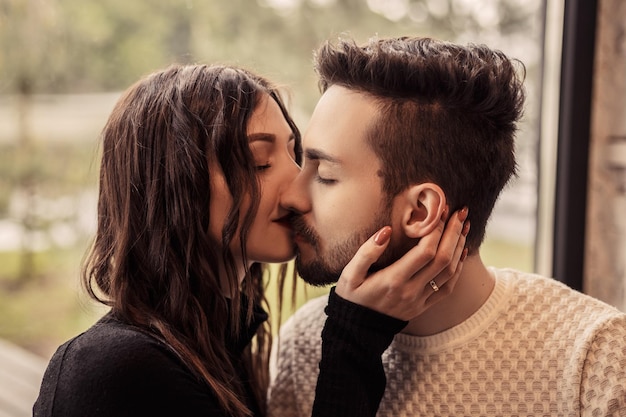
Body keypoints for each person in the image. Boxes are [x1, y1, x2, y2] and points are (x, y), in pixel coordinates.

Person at [33, 63, 468, 417]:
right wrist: (354, 339)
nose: (298, 186)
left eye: (294, 154)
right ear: (173, 189)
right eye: (258, 163)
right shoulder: (115, 372)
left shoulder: (222, 346)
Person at [267, 36, 626, 417]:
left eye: (323, 174)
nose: (291, 196)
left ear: (421, 212)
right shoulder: (306, 345)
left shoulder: (597, 360)